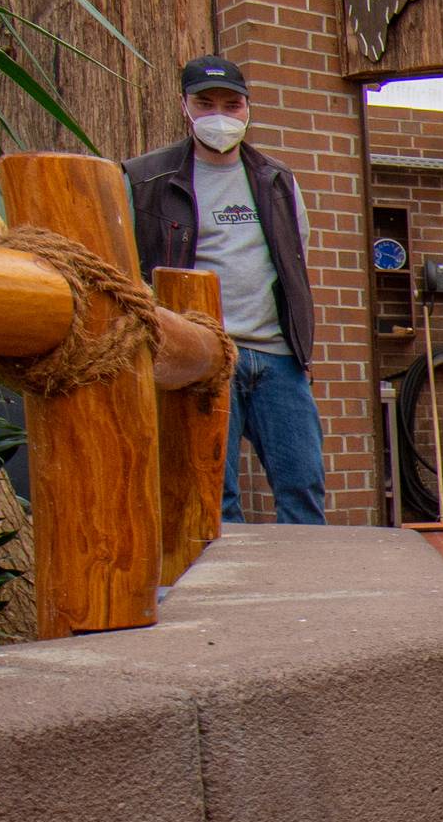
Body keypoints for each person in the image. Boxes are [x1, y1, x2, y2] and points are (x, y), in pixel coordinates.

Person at [127, 55, 330, 525]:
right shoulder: (145, 180)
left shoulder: (277, 180)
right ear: (185, 106)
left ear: (246, 109)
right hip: (204, 355)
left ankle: (309, 589)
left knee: (303, 485)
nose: (219, 114)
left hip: (279, 357)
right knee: (214, 496)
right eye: (206, 102)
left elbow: (296, 255)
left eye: (231, 104)